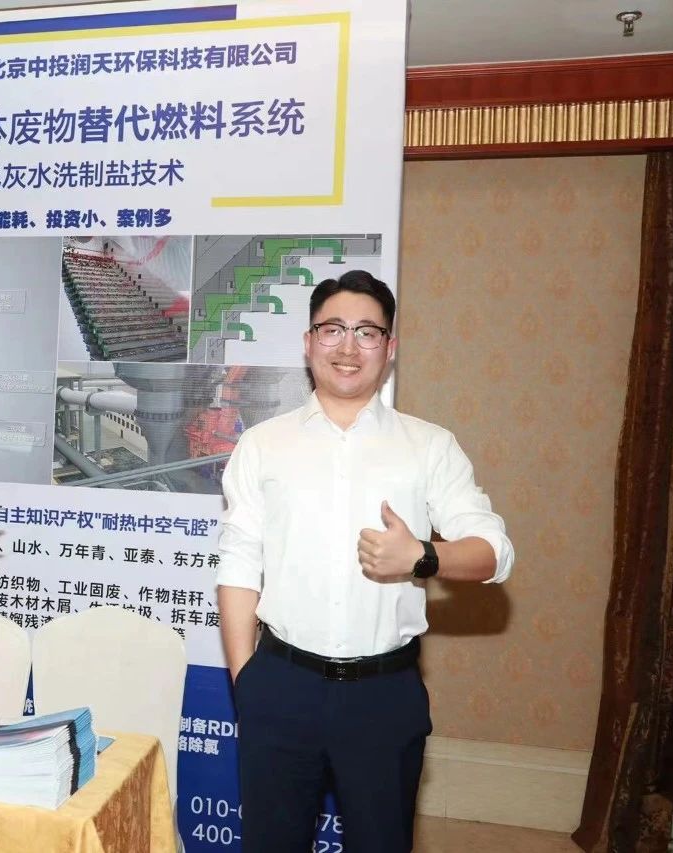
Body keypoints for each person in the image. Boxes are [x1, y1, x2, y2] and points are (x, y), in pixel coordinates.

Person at [215, 270, 513, 853]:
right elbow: (239, 562)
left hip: (384, 694)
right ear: (308, 342)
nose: (347, 347)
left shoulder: (428, 445)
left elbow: (494, 552)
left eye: (366, 332)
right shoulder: (262, 444)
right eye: (332, 329)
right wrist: (245, 680)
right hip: (279, 685)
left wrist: (422, 556)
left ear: (389, 347)